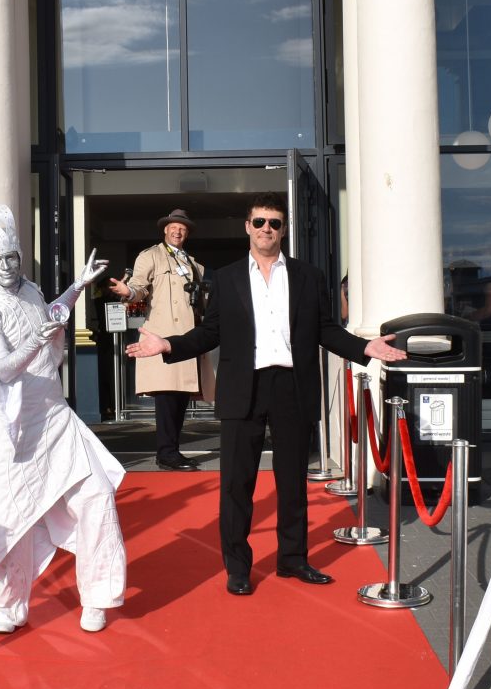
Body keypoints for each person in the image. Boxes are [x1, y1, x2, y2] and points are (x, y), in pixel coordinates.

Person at [126, 194, 406, 595]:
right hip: (244, 387)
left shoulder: (307, 276)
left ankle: (293, 560)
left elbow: (325, 330)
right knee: (237, 485)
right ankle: (238, 567)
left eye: (274, 223)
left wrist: (364, 348)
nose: (266, 230)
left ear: (284, 229)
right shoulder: (226, 278)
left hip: (292, 386)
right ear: (247, 227)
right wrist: (169, 345)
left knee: (292, 482)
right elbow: (210, 333)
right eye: (259, 222)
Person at [0, 202, 129, 634]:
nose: (4, 266)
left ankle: (97, 597)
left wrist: (76, 286)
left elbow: (50, 314)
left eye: (11, 257)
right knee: (14, 516)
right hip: (15, 428)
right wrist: (36, 344)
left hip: (56, 416)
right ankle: (9, 604)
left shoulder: (33, 290)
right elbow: (2, 369)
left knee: (96, 498)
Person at [107, 208, 216, 471]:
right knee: (167, 398)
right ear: (165, 230)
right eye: (174, 227)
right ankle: (166, 454)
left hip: (187, 340)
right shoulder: (151, 256)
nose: (178, 231)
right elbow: (139, 287)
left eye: (183, 228)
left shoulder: (193, 264)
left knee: (180, 398)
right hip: (163, 337)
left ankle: (172, 451)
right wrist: (128, 292)